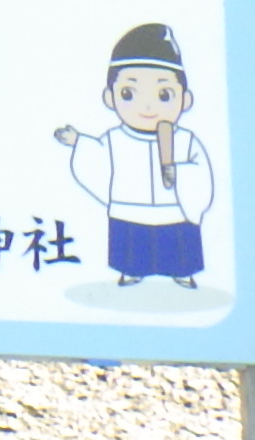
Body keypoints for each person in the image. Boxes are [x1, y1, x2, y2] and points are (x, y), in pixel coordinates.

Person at [54, 24, 219, 287]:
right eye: (129, 93)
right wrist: (78, 142)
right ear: (110, 98)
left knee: (178, 245)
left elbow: (201, 173)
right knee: (133, 246)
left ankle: (181, 272)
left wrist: (179, 172)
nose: (148, 106)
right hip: (129, 209)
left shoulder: (185, 140)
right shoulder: (115, 138)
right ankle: (132, 271)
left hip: (174, 211)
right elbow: (97, 159)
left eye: (164, 94)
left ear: (185, 100)